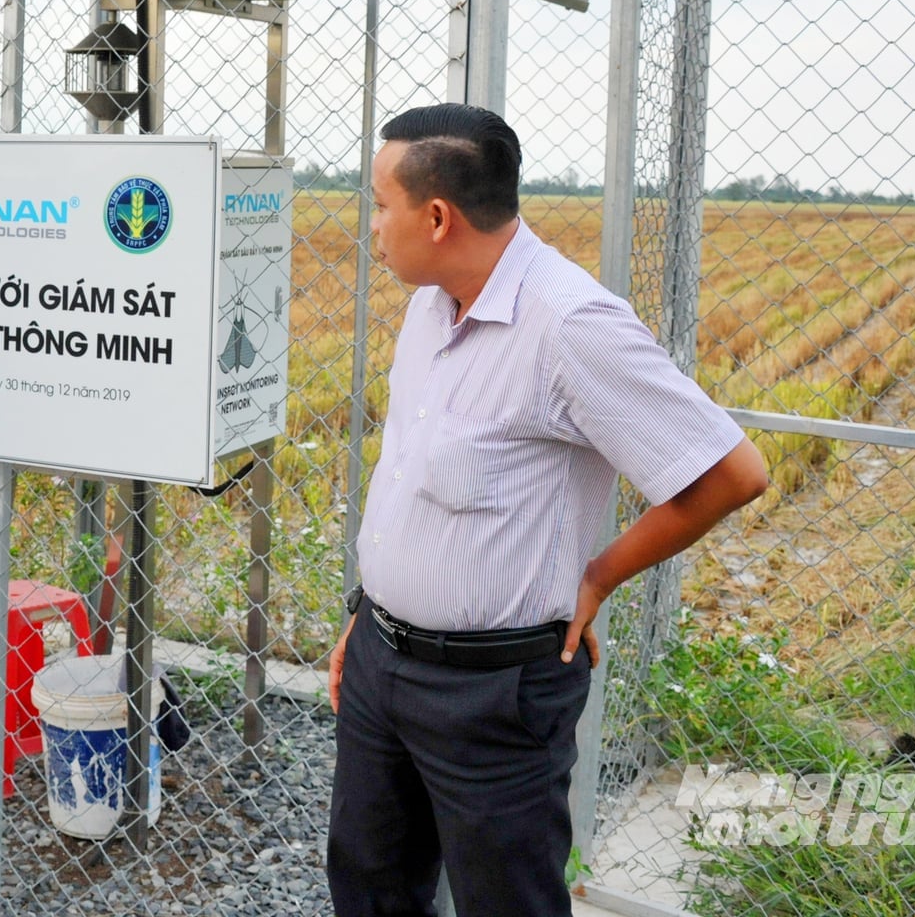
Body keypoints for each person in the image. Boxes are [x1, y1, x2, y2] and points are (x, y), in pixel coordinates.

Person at [326, 104, 768, 917]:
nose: (373, 226)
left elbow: (731, 474)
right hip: (380, 665)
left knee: (507, 903)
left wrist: (596, 577)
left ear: (437, 217)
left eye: (380, 205)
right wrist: (371, 615)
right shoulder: (431, 305)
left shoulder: (570, 324)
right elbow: (415, 482)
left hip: (493, 695)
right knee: (368, 888)